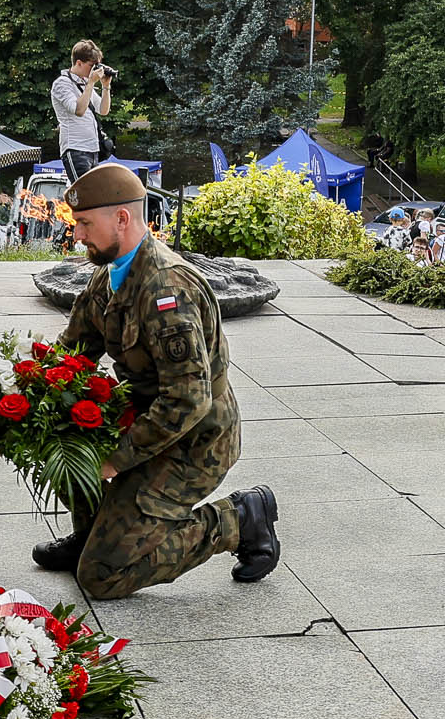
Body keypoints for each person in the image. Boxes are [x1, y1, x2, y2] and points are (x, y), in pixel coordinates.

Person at [34, 163, 280, 594]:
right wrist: (18, 401)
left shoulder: (167, 289)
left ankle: (239, 519)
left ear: (122, 219)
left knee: (102, 576)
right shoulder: (108, 274)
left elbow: (187, 400)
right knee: (64, 432)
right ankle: (92, 532)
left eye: (85, 224)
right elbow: (71, 354)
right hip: (148, 419)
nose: (77, 235)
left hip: (194, 439)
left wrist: (116, 459)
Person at [51, 38, 112, 182]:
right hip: (75, 148)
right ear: (79, 63)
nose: (94, 70)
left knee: (95, 197)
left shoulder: (84, 83)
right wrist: (91, 82)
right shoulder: (62, 83)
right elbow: (79, 110)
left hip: (93, 149)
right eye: (91, 65)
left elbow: (103, 110)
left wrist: (106, 86)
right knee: (86, 194)